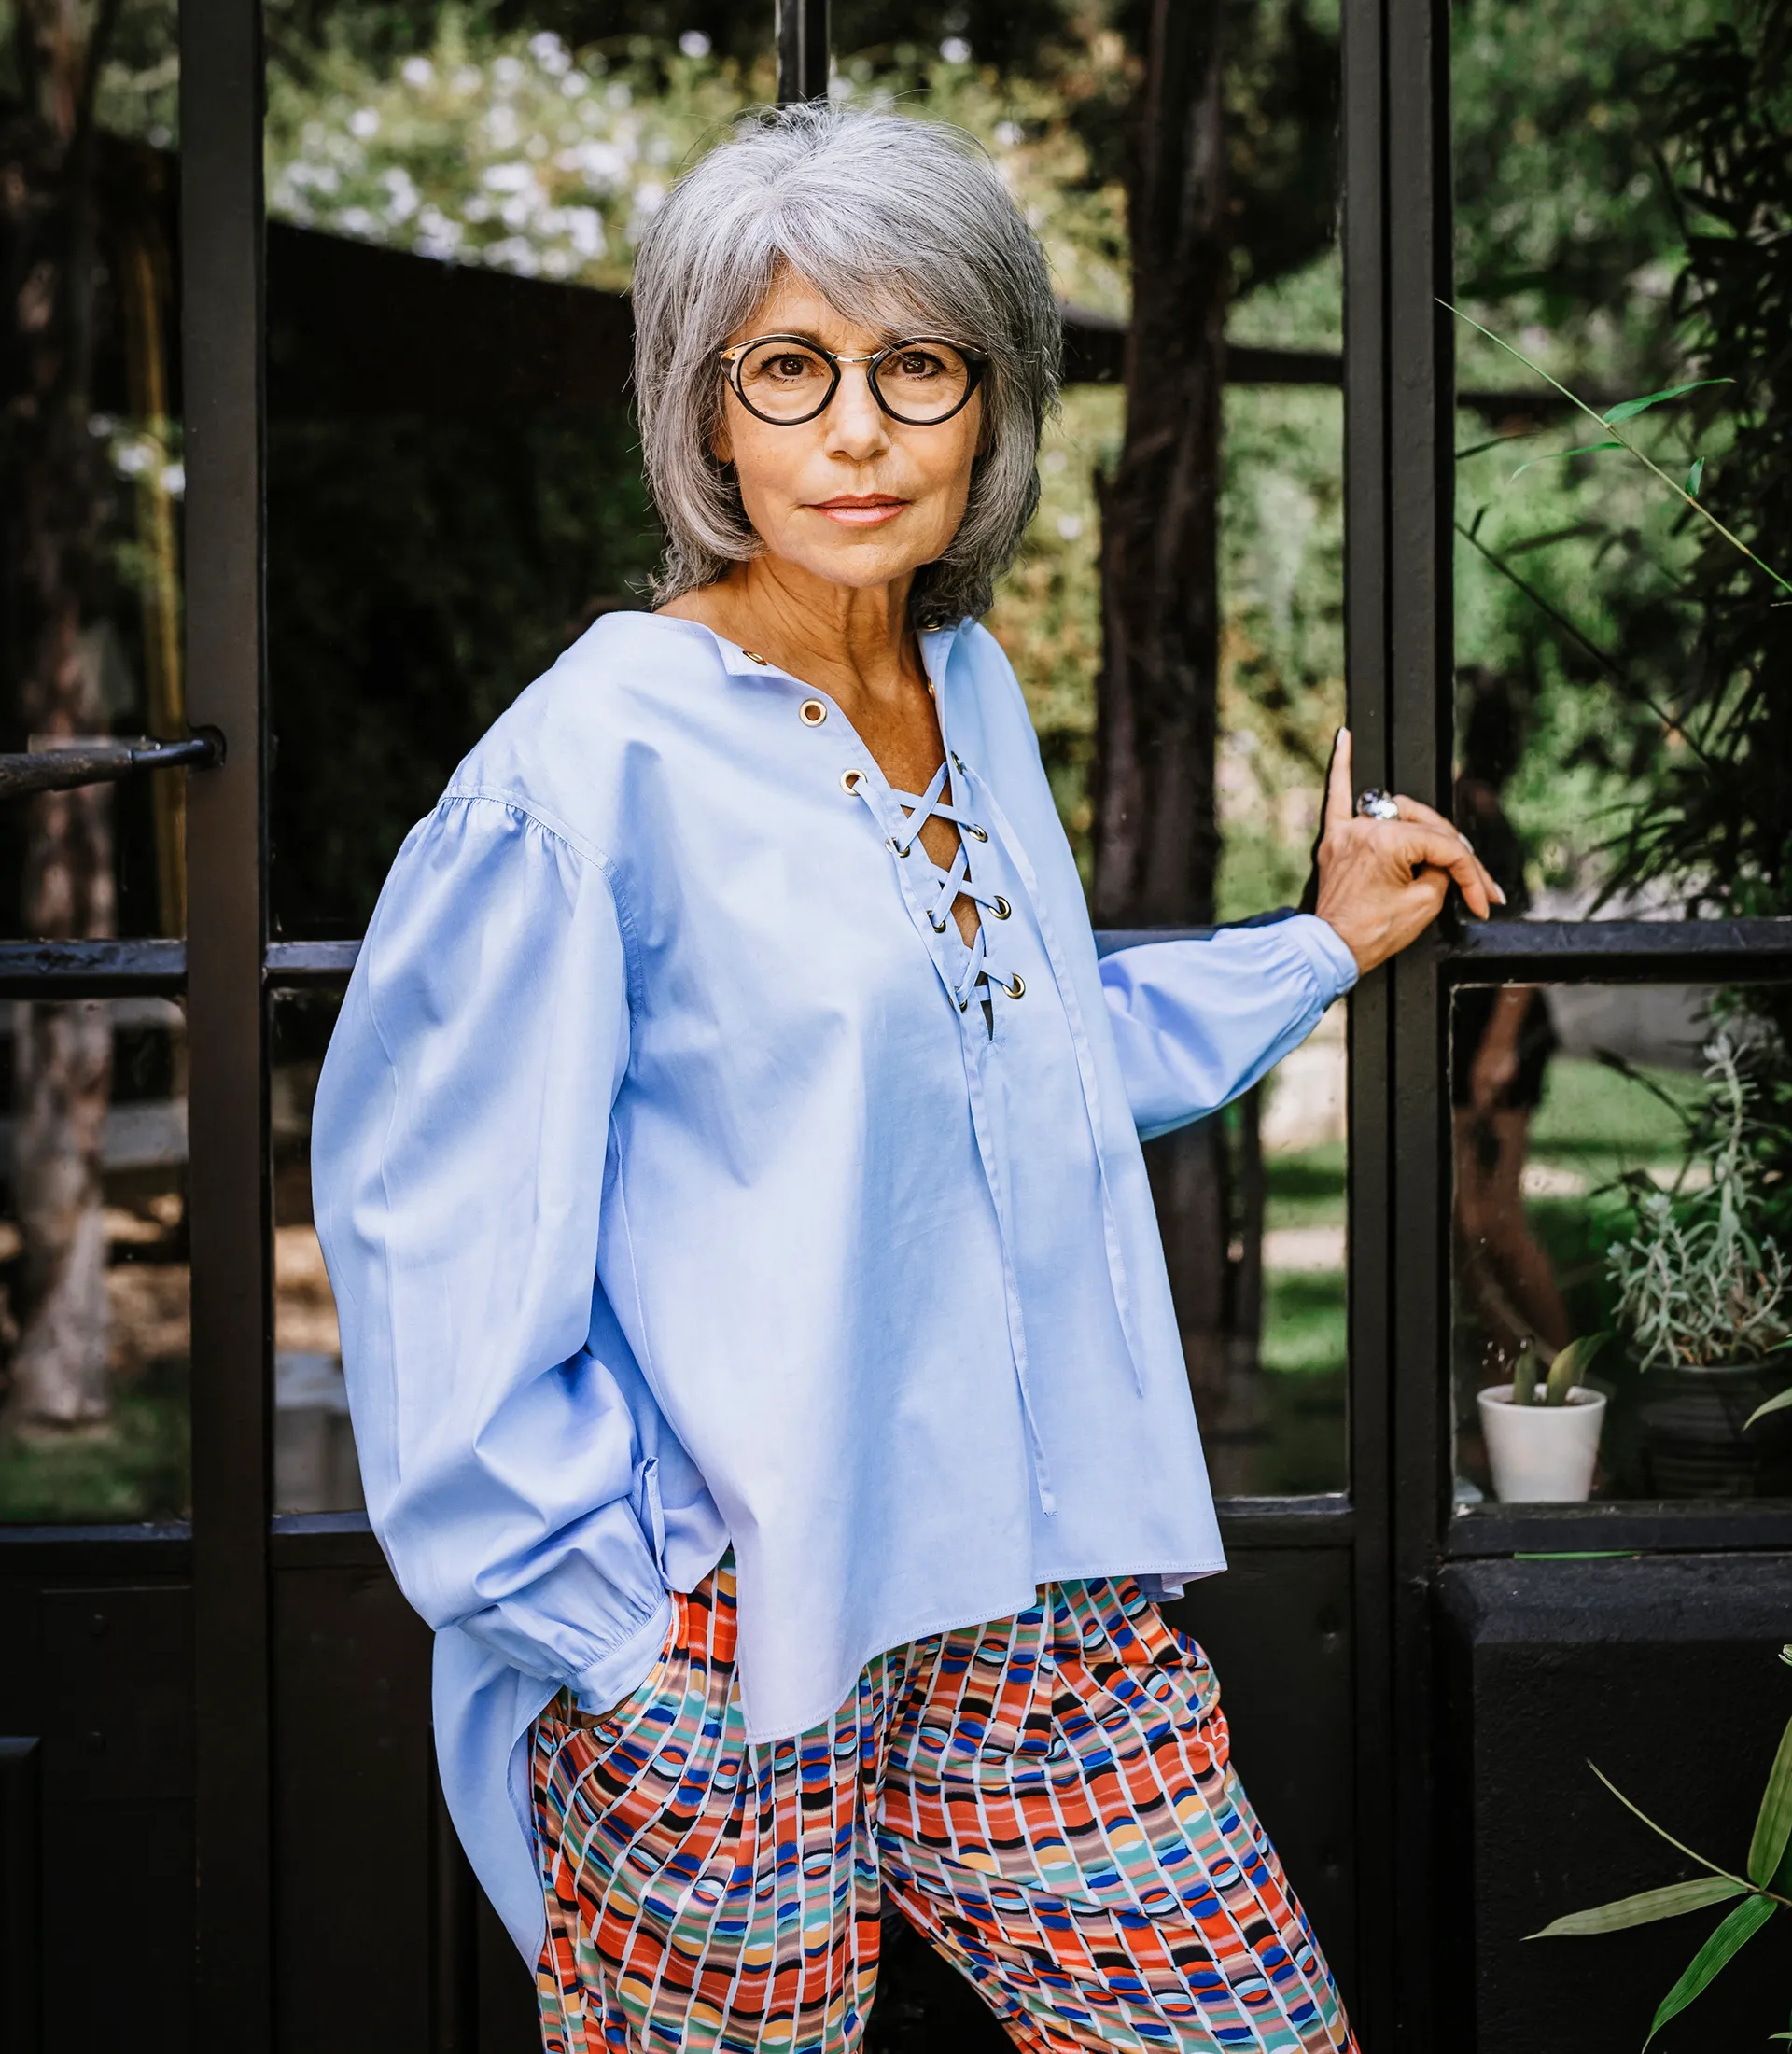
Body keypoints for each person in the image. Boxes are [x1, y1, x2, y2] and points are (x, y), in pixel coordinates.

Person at [312, 105, 1498, 2054]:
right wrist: (613, 1629)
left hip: (1028, 1602)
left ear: (989, 409)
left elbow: (1013, 1069)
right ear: (709, 421)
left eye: (914, 367)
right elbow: (428, 1235)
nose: (854, 431)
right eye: (789, 370)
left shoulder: (966, 692)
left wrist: (1316, 947)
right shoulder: (585, 769)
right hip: (722, 1634)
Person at [1449, 667, 1568, 1361]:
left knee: (1491, 1219)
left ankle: (1562, 1385)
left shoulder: (1481, 822)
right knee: (1468, 1226)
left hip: (1501, 1034)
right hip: (1474, 1033)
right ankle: (1513, 1391)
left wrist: (1496, 1049)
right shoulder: (1466, 812)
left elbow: (1519, 945)